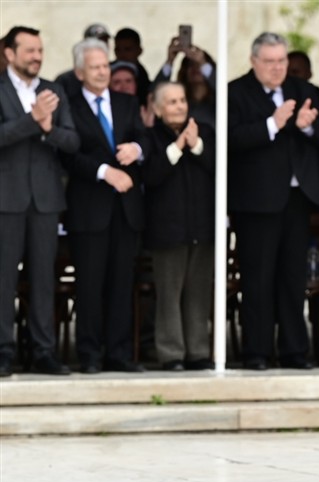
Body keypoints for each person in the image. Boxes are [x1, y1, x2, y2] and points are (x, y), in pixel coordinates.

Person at [228, 32, 319, 371]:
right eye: (269, 61)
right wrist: (272, 124)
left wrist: (306, 127)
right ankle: (256, 351)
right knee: (257, 279)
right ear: (254, 61)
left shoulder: (304, 90)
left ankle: (294, 351)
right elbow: (230, 139)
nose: (276, 68)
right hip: (255, 202)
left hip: (296, 200)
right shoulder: (235, 92)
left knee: (293, 278)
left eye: (281, 61)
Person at [63, 38, 147, 373]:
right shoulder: (69, 106)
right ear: (79, 72)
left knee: (121, 283)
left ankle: (119, 354)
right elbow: (68, 155)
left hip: (125, 209)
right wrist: (104, 172)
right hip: (89, 209)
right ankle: (89, 354)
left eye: (104, 65)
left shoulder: (127, 102)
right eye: (94, 67)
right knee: (90, 284)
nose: (102, 72)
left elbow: (145, 138)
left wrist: (137, 150)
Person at [0, 26, 79, 377]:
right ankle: (4, 350)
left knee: (44, 279)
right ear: (9, 54)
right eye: (29, 50)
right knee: (3, 279)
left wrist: (48, 129)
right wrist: (32, 121)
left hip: (46, 199)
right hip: (7, 198)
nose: (37, 57)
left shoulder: (53, 90)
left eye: (40, 50)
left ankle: (44, 351)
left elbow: (72, 141)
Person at [141, 82, 214, 371]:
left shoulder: (204, 132)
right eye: (172, 102)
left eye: (182, 100)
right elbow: (151, 175)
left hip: (202, 227)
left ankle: (198, 351)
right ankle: (171, 353)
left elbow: (218, 167)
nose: (180, 106)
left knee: (199, 292)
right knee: (169, 295)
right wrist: (178, 147)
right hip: (167, 231)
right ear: (158, 109)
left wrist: (196, 146)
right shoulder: (149, 137)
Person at [55, 23, 110, 99]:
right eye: (95, 67)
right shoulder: (65, 80)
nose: (102, 72)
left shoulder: (116, 73)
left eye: (105, 41)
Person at [112, 27, 150, 101]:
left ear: (139, 51)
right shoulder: (107, 71)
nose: (122, 54)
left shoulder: (142, 77)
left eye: (127, 49)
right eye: (118, 50)